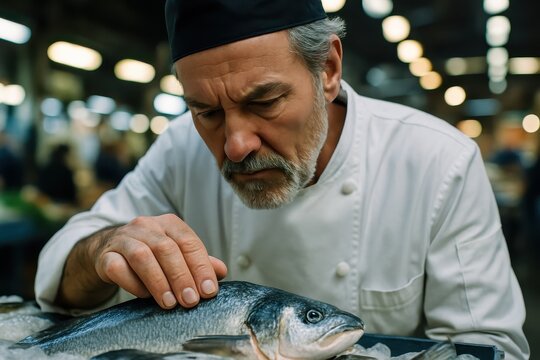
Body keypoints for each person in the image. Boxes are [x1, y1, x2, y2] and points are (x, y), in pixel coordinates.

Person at [34, 0, 529, 358]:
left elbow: (489, 347)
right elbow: (61, 274)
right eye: (207, 112)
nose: (235, 145)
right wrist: (105, 250)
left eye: (264, 102)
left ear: (328, 69)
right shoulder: (181, 147)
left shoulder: (437, 162)